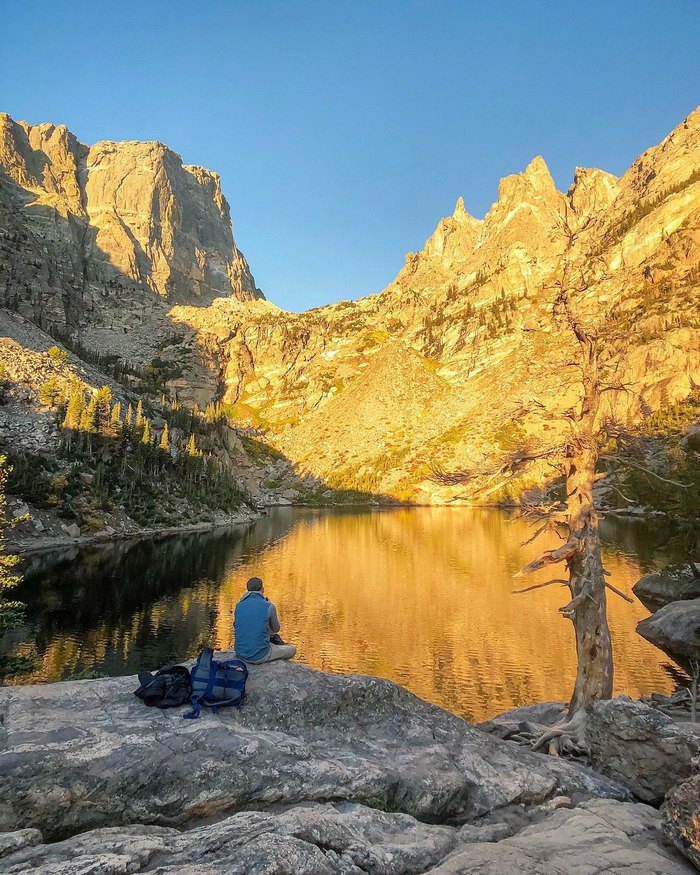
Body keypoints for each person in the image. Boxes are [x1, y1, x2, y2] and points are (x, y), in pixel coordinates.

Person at [233, 577, 297, 664]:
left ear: (247, 590)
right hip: (259, 656)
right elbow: (276, 629)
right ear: (262, 589)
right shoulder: (269, 606)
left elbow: (237, 626)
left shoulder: (238, 605)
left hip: (240, 653)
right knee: (292, 649)